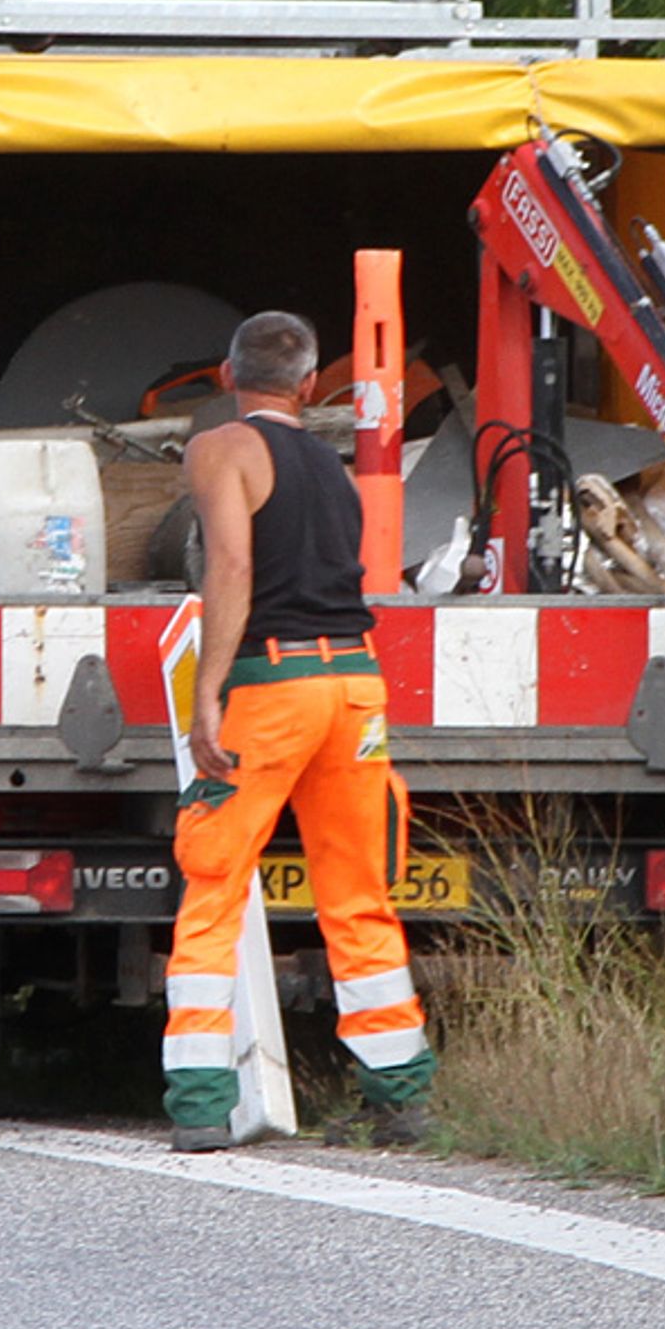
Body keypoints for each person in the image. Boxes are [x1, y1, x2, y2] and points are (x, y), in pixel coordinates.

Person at [160, 310, 437, 1150]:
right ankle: (398, 1096)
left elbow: (231, 565)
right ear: (313, 384)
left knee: (214, 883)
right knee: (358, 892)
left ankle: (203, 1103)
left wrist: (208, 690)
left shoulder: (219, 449)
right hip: (354, 685)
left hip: (272, 686)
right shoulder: (334, 464)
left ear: (224, 374)